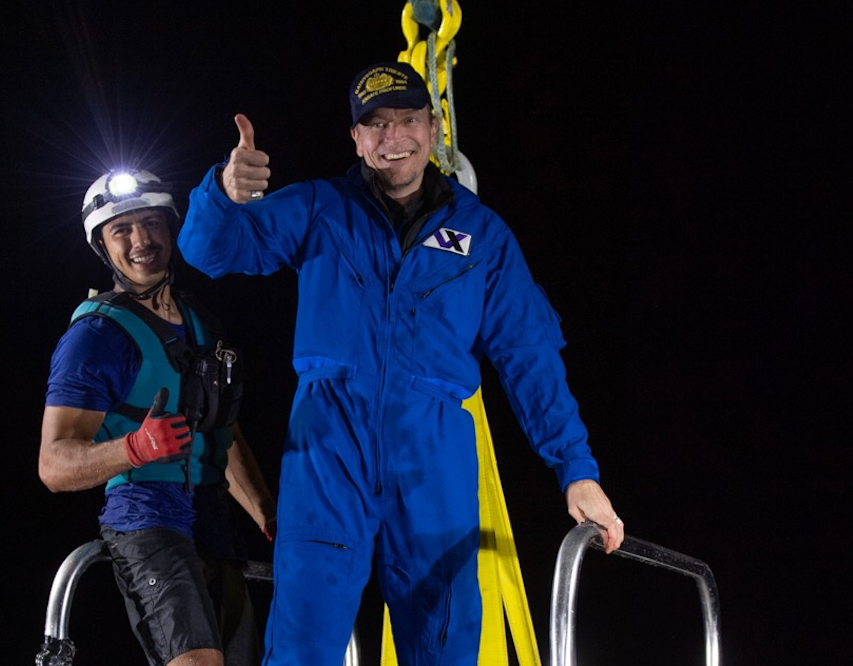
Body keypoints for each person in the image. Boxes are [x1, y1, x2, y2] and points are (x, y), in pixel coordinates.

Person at [177, 61, 625, 666]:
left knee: (442, 643)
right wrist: (223, 195)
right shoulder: (318, 208)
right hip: (327, 453)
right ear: (356, 138)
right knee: (303, 643)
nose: (395, 138)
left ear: (434, 127)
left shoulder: (482, 235)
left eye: (409, 120)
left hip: (435, 457)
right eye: (377, 124)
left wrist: (577, 469)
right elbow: (210, 251)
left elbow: (529, 357)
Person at [39, 169, 277, 666]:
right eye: (121, 229)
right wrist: (133, 448)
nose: (141, 240)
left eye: (151, 223)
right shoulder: (96, 337)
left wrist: (268, 515)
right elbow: (54, 465)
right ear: (103, 245)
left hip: (213, 521)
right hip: (146, 518)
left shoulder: (201, 324)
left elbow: (223, 433)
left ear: (171, 229)